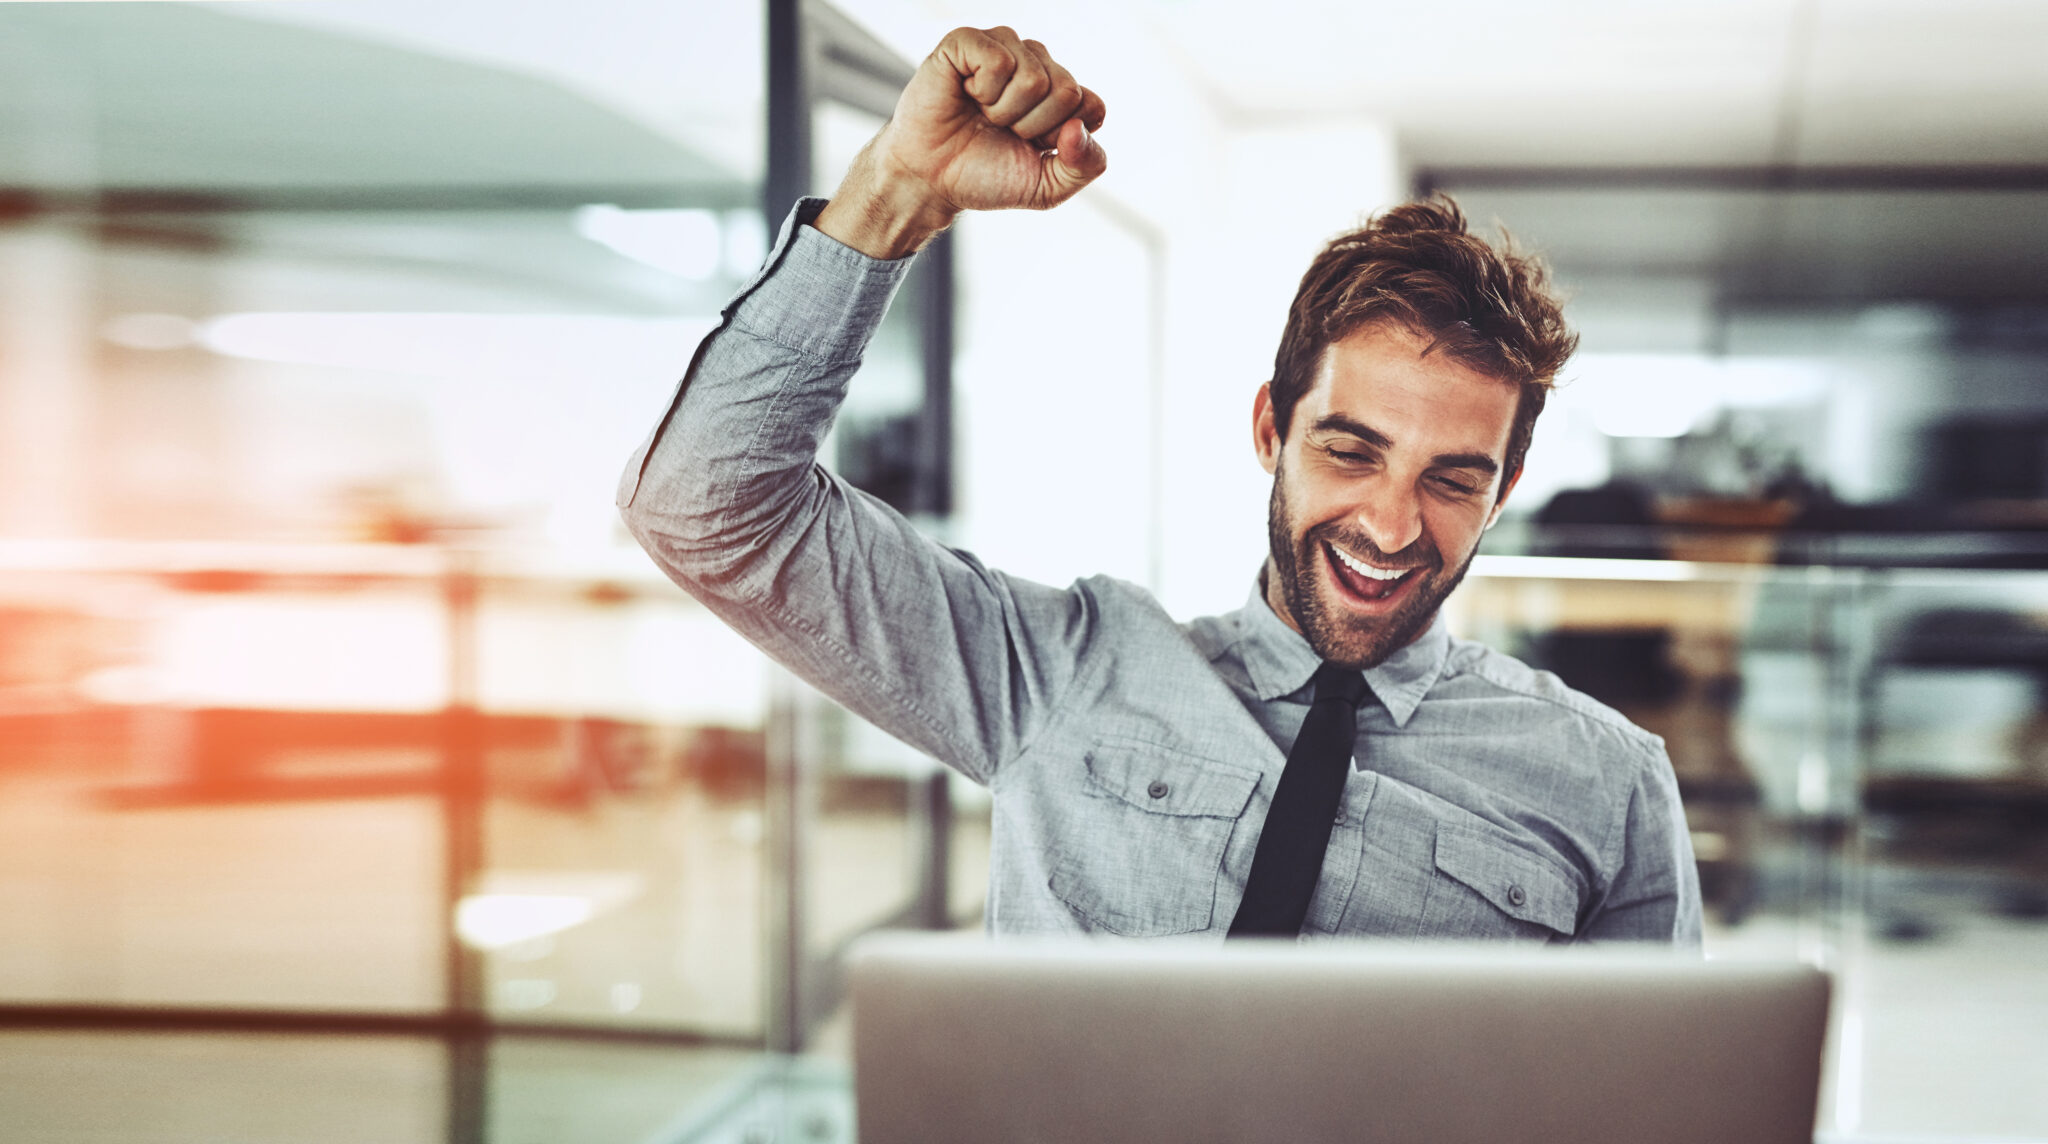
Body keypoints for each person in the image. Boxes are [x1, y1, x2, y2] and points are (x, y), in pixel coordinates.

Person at [619, 26, 1701, 944]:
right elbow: (702, 507)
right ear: (1270, 430)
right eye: (1350, 449)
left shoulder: (1606, 783)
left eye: (1451, 479)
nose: (1388, 522)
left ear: (1502, 491)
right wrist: (896, 193)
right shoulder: (1054, 671)